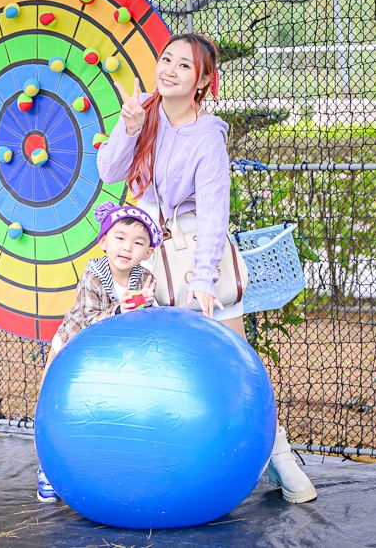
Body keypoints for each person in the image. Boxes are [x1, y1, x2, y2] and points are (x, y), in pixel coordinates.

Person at [96, 32, 317, 504]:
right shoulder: (145, 115)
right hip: (146, 253)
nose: (169, 70)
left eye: (184, 66)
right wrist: (128, 127)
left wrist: (203, 280)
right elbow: (109, 172)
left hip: (198, 254)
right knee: (159, 364)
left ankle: (280, 458)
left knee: (237, 363)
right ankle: (163, 468)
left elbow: (215, 212)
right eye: (166, 59)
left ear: (202, 82)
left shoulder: (209, 134)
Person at [36, 201, 161, 502]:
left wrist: (148, 305)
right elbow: (90, 319)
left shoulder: (143, 278)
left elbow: (150, 320)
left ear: (148, 252)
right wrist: (124, 307)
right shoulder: (93, 274)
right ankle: (46, 466)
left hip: (115, 355)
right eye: (119, 238)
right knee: (49, 401)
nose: (127, 247)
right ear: (104, 241)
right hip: (73, 344)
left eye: (138, 242)